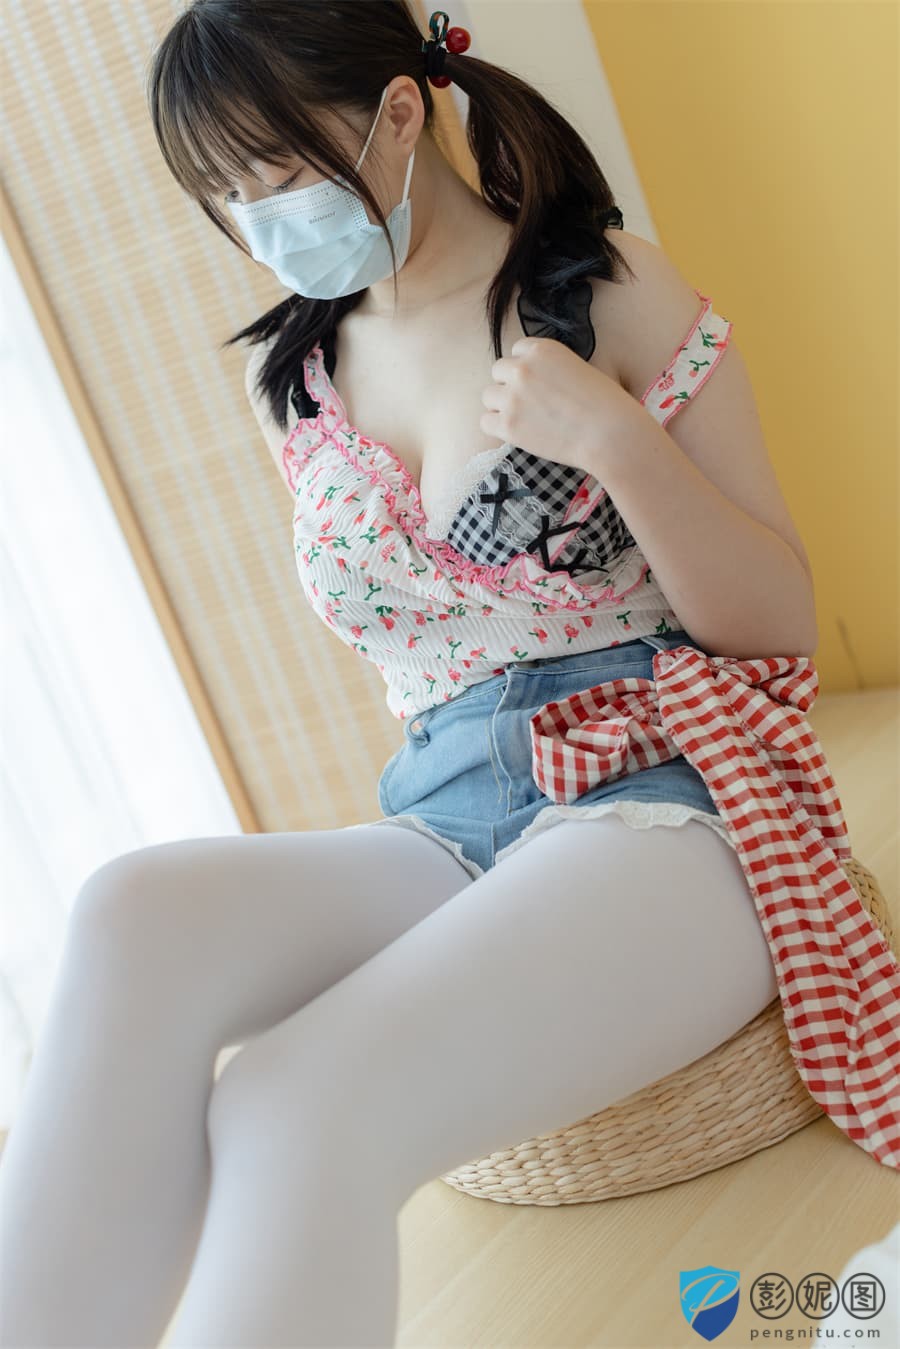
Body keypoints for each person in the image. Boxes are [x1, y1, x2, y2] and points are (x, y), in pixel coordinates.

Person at [2, 3, 857, 1347]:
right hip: (449, 812)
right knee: (129, 913)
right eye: (225, 193)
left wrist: (620, 444)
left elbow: (779, 624)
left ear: (399, 112)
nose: (256, 218)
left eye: (274, 172)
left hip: (661, 797)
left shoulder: (606, 290)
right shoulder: (296, 378)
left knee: (298, 1097)